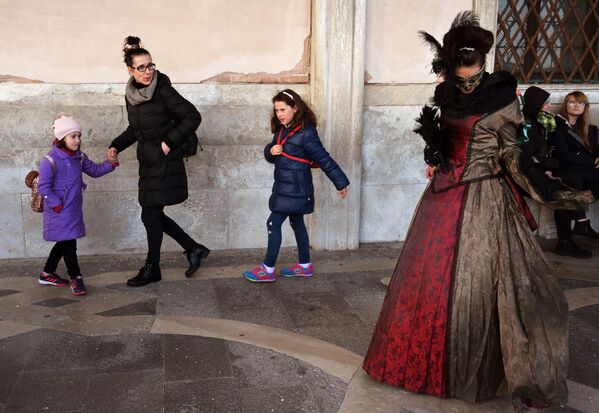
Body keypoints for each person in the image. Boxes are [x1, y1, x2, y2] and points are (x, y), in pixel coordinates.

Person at [363, 12, 592, 409]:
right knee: (455, 281)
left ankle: (467, 368)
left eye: (469, 70)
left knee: (465, 280)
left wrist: (543, 184)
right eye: (463, 69)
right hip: (456, 197)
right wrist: (435, 155)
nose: (466, 76)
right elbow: (462, 142)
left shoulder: (494, 96)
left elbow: (507, 151)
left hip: (468, 198)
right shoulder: (465, 95)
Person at [108, 36, 209, 287]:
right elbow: (135, 129)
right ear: (130, 70)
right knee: (150, 214)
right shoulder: (132, 95)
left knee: (150, 214)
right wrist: (116, 145)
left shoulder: (162, 88)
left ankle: (153, 267)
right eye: (141, 67)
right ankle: (193, 248)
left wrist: (168, 143)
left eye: (150, 65)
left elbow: (192, 116)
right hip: (148, 162)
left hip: (164, 161)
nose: (148, 71)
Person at [242, 89, 349, 282]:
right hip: (284, 186)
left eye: (283, 109)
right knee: (297, 223)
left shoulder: (306, 132)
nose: (279, 114)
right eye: (277, 110)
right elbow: (273, 156)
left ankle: (267, 269)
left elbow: (323, 159)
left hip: (296, 188)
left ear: (295, 108)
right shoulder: (282, 129)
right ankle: (304, 265)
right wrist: (270, 150)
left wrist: (340, 182)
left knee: (273, 223)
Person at [38, 114, 117, 295]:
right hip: (58, 210)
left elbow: (95, 171)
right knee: (69, 244)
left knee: (64, 241)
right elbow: (44, 187)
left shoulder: (79, 157)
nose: (77, 140)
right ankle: (77, 278)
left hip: (72, 208)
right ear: (61, 138)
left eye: (79, 136)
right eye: (73, 136)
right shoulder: (49, 160)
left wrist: (110, 164)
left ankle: (47, 273)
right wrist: (57, 205)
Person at [550, 91, 599, 258]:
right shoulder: (557, 126)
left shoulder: (590, 130)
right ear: (566, 105)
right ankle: (576, 229)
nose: (576, 105)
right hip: (565, 170)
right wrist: (591, 161)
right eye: (572, 102)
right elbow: (563, 156)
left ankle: (582, 225)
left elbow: (595, 151)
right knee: (568, 185)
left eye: (581, 103)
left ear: (585, 107)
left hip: (584, 172)